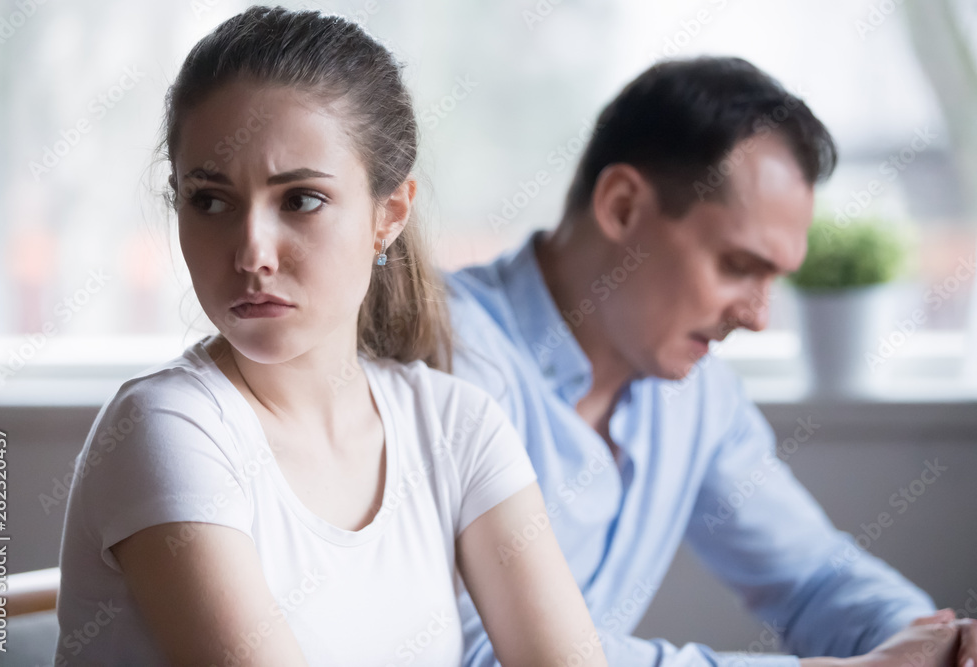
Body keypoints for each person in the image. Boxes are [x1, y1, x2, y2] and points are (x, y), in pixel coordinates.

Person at [53, 6, 607, 666]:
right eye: (210, 200)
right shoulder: (167, 428)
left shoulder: (459, 425)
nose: (252, 250)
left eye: (300, 200)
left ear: (389, 213)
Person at [443, 57, 977, 667]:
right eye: (737, 265)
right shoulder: (448, 351)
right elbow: (476, 652)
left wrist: (939, 640)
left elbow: (814, 579)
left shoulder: (693, 395)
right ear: (621, 206)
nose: (758, 317)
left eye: (773, 278)